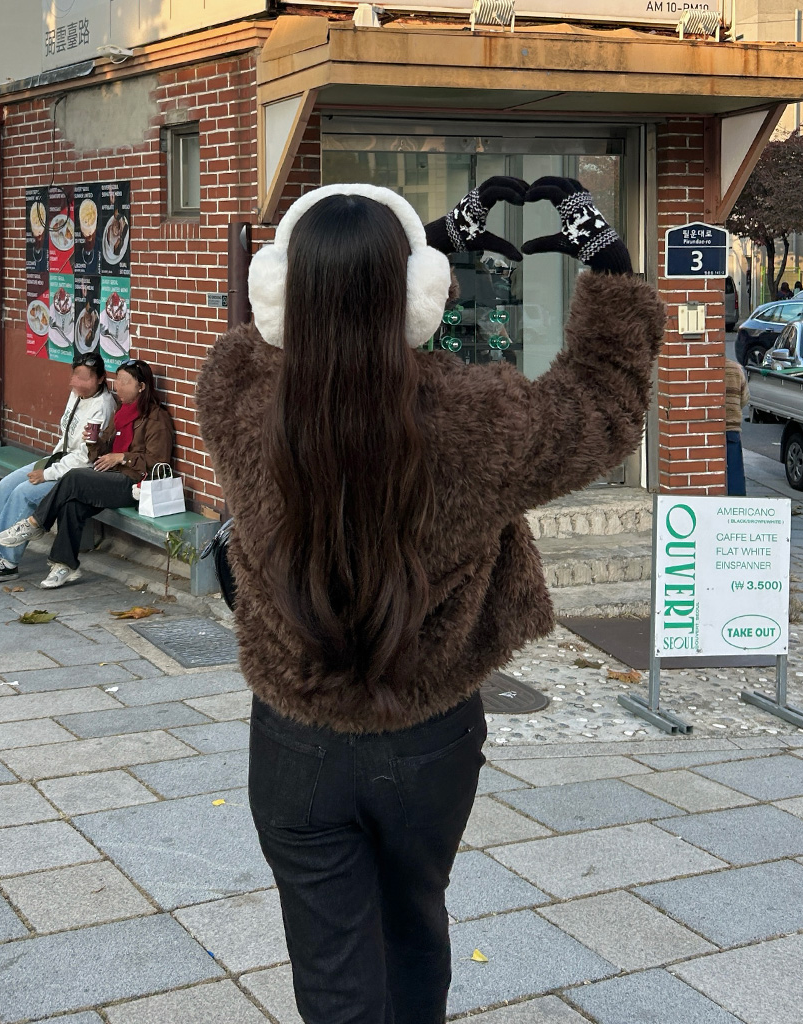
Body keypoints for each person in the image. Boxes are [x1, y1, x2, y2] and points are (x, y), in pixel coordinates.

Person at [196, 176, 663, 1024]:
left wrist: (418, 248)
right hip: (429, 737)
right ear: (421, 294)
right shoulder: (482, 421)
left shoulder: (231, 389)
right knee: (414, 930)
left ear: (278, 288)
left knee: (330, 969)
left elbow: (271, 339)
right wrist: (610, 269)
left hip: (294, 742)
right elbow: (603, 405)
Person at [0, 359, 174, 589]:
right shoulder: (121, 412)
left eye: (124, 382)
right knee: (72, 504)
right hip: (110, 476)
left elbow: (158, 461)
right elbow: (102, 450)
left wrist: (122, 457)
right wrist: (93, 441)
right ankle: (64, 565)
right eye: (117, 380)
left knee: (75, 476)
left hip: (133, 484)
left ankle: (36, 523)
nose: (118, 387)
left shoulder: (156, 418)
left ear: (141, 386)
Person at [0, 353, 115, 583]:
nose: (76, 383)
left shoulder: (102, 407)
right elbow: (66, 437)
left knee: (23, 493)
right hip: (57, 460)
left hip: (77, 472)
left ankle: (8, 562)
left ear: (101, 378)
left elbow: (85, 458)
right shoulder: (77, 394)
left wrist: (46, 474)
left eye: (85, 379)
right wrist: (49, 464)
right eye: (75, 376)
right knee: (6, 485)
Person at [725, 357, 749, 495]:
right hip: (732, 427)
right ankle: (736, 501)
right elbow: (744, 398)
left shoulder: (706, 369)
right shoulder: (736, 369)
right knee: (735, 471)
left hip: (711, 429)